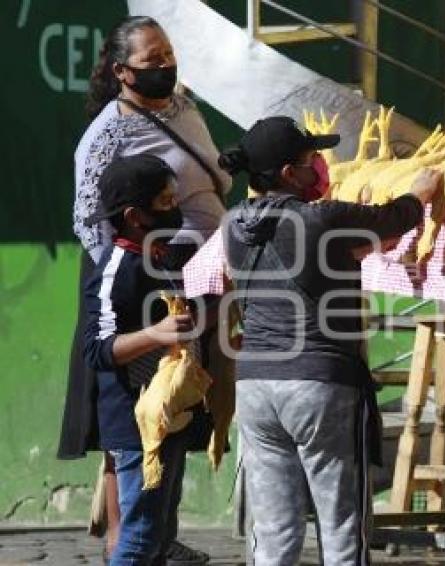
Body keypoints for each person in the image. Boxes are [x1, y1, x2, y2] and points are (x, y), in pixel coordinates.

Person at [219, 116, 442, 565]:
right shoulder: (324, 217)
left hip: (255, 388)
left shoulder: (231, 224)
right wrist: (422, 190)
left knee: (274, 530)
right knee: (341, 525)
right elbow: (394, 220)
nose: (320, 166)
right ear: (288, 174)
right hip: (320, 386)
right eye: (310, 160)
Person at [59, 15, 229, 564]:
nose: (164, 65)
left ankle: (152, 539)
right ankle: (127, 545)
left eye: (167, 55)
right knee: (134, 424)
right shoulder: (109, 131)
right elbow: (90, 219)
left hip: (197, 284)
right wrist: (139, 269)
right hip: (144, 291)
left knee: (180, 415)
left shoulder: (183, 109)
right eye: (151, 59)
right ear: (121, 70)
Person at [83, 154, 196, 565]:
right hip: (134, 422)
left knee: (160, 532)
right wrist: (155, 335)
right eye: (165, 202)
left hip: (169, 414)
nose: (175, 209)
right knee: (140, 536)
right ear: (134, 216)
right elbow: (97, 350)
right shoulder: (117, 268)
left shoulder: (161, 257)